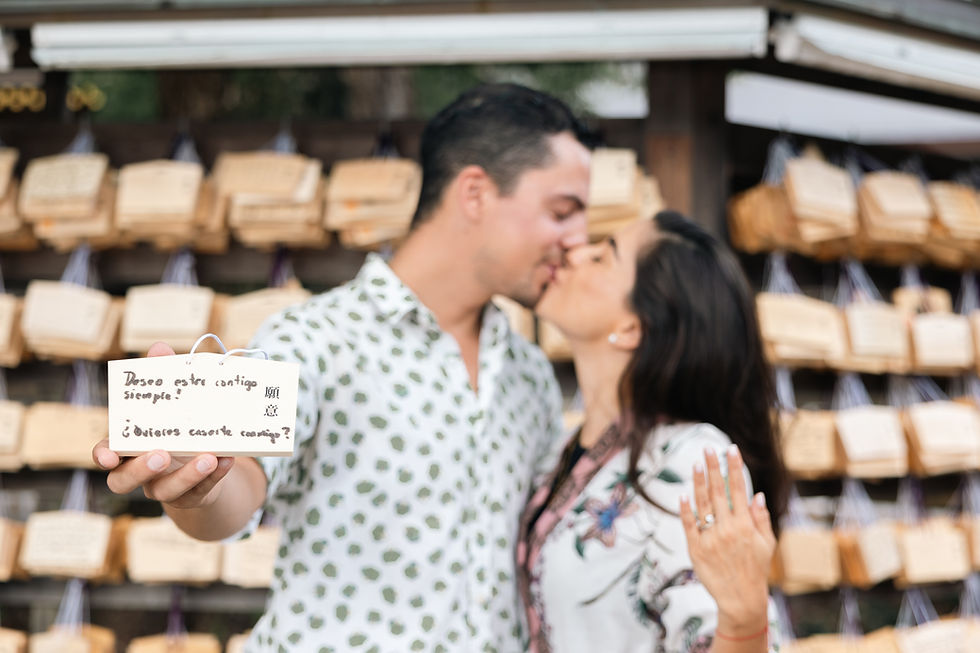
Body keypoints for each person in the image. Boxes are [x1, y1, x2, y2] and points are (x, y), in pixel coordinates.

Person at [93, 83, 593, 652]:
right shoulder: (316, 340)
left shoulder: (529, 372)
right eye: (562, 212)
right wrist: (196, 484)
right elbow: (242, 487)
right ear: (475, 193)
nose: (577, 240)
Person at [518, 210, 787, 653]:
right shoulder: (565, 449)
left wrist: (743, 620)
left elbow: (719, 631)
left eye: (603, 257)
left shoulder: (690, 459)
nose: (575, 252)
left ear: (630, 328)